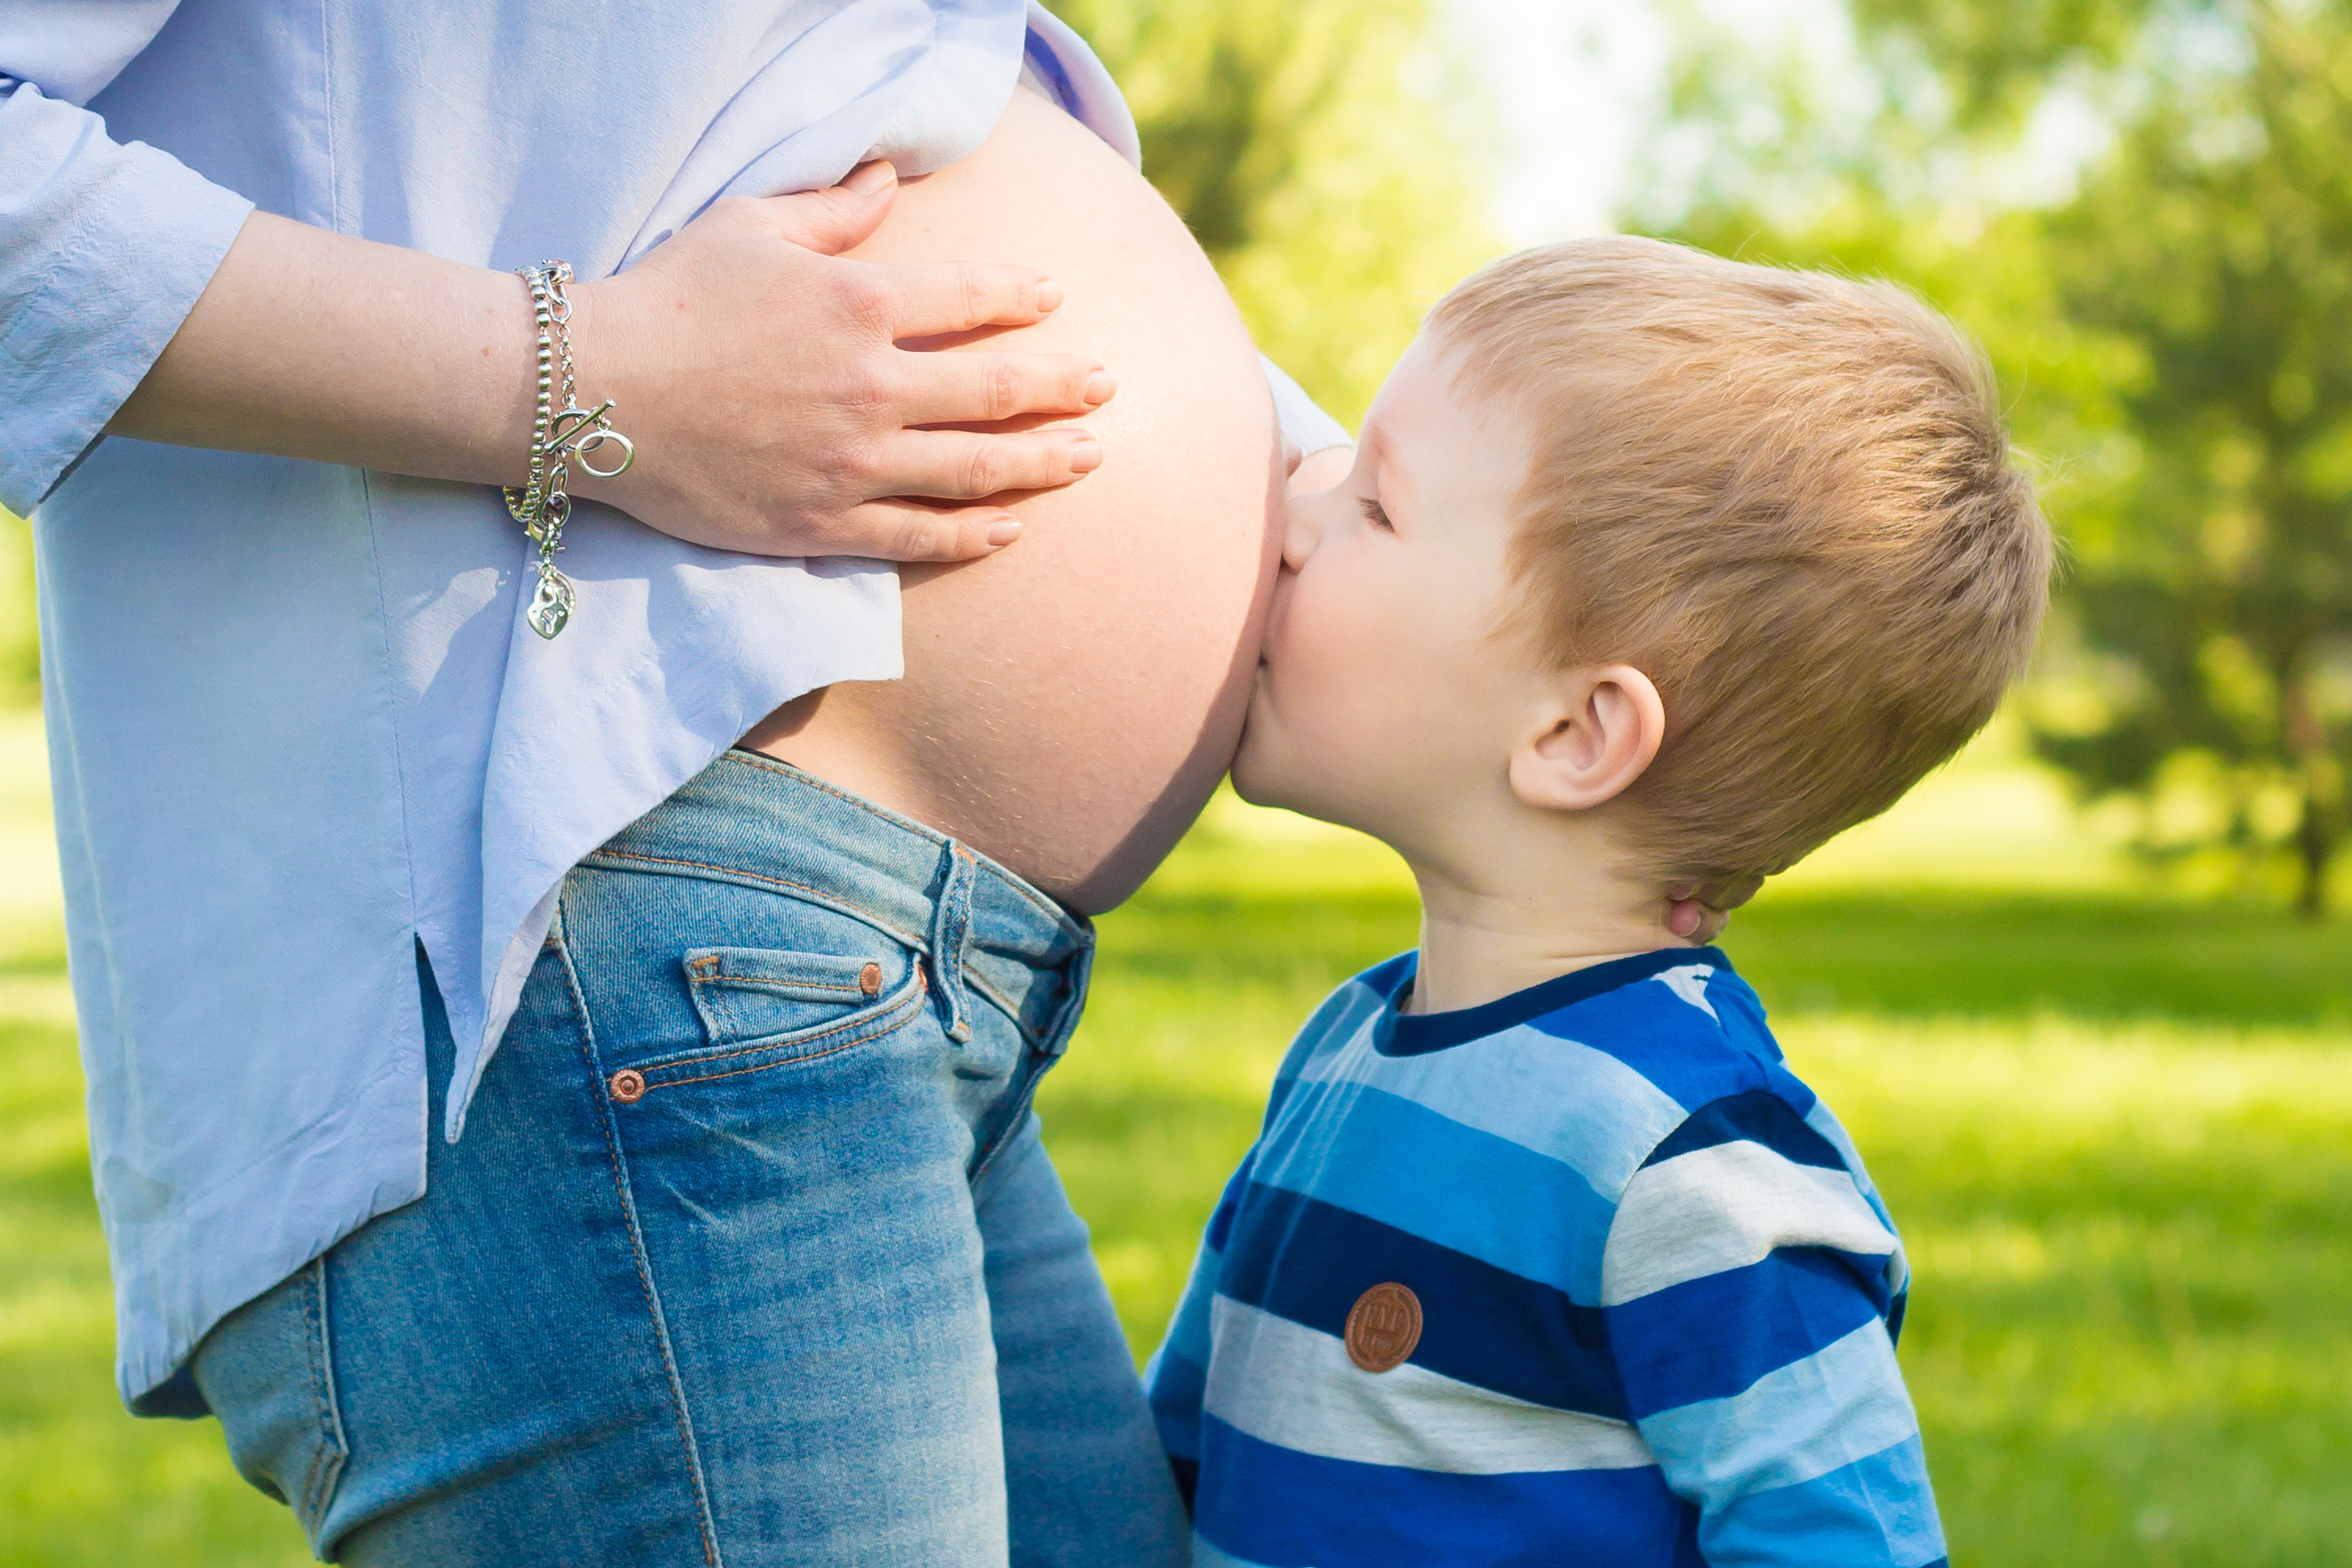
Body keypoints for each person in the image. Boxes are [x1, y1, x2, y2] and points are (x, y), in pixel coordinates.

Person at [1143, 238, 2052, 1566]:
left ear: (1575, 731)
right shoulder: (1348, 1051)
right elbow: (1176, 1470)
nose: (1289, 510)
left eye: (1377, 507)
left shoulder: (1697, 1169)